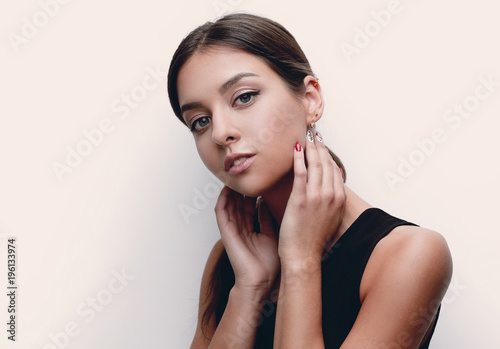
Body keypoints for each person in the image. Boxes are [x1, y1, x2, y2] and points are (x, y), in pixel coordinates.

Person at [167, 13, 452, 349]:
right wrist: (250, 286)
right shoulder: (232, 256)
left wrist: (301, 257)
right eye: (199, 121)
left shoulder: (409, 254)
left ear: (310, 100)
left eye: (244, 97)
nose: (219, 132)